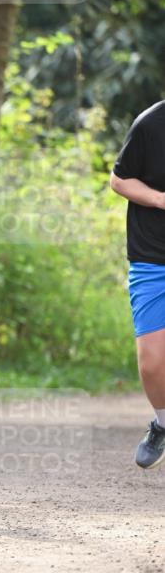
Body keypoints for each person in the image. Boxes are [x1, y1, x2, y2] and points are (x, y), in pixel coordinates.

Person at [110, 99, 165, 469]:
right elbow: (119, 179)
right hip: (153, 257)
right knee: (151, 363)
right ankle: (162, 424)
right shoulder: (151, 124)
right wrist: (160, 199)